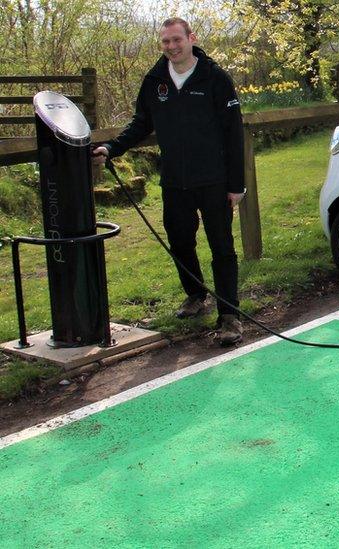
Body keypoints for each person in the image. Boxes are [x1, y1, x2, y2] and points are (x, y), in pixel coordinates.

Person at [92, 17, 245, 346]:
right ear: (161, 44)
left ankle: (229, 316)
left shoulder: (215, 78)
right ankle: (195, 294)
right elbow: (141, 123)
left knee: (222, 246)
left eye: (177, 40)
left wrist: (237, 185)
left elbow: (234, 134)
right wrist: (112, 147)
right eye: (166, 42)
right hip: (175, 181)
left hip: (214, 180)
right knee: (180, 243)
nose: (172, 47)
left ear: (191, 38)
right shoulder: (154, 80)